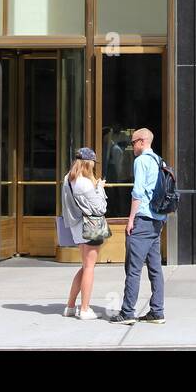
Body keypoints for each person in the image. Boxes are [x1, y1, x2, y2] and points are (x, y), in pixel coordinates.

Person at [111, 128, 167, 325]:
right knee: (155, 268)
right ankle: (157, 311)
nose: (131, 146)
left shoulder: (141, 161)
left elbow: (138, 192)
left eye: (133, 142)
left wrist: (131, 219)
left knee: (133, 268)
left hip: (143, 219)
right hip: (157, 220)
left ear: (143, 141)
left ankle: (127, 312)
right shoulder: (160, 161)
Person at [61, 147, 108, 320]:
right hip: (90, 226)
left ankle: (71, 306)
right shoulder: (85, 183)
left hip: (76, 226)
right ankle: (85, 308)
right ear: (88, 163)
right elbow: (100, 207)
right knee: (89, 267)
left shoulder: (67, 179)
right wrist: (100, 188)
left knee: (84, 266)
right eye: (93, 163)